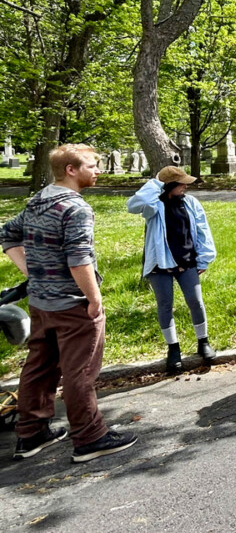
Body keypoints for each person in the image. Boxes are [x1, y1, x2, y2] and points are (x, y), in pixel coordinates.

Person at [2, 144, 138, 463]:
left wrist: (33, 271)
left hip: (41, 302)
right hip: (71, 305)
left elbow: (7, 235)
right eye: (92, 165)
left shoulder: (37, 201)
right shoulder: (75, 208)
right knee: (80, 371)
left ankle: (31, 433)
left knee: (39, 366)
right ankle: (90, 438)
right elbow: (78, 259)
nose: (98, 170)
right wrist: (94, 298)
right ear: (71, 170)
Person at [126, 166, 217, 373]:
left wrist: (204, 259)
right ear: (169, 185)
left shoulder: (191, 203)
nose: (186, 186)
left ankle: (203, 342)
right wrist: (156, 183)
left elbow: (203, 230)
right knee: (165, 305)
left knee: (195, 301)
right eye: (181, 183)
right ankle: (173, 349)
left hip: (187, 262)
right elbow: (133, 205)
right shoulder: (153, 205)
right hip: (160, 264)